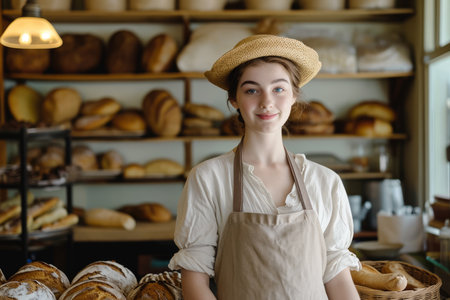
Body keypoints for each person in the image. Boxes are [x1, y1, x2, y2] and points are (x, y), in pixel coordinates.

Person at [169, 34, 361, 300]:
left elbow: (337, 277)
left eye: (278, 89)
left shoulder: (325, 182)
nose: (266, 102)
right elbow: (195, 282)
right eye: (251, 90)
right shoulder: (208, 178)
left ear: (294, 95)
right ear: (234, 99)